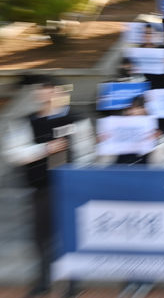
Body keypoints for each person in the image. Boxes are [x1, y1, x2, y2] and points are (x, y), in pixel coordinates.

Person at [2, 77, 95, 297]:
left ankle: (73, 284)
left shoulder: (77, 119)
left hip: (70, 186)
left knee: (70, 236)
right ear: (38, 95)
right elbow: (14, 153)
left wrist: (80, 179)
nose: (48, 95)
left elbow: (87, 152)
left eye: (53, 91)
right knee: (41, 237)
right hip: (42, 188)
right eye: (44, 91)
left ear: (61, 93)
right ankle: (44, 281)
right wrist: (46, 148)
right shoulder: (26, 122)